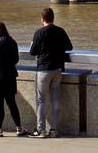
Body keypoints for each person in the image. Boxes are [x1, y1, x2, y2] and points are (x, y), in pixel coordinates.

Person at [28, 7, 72, 138]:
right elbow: (69, 47)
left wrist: (33, 44)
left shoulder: (39, 33)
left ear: (42, 19)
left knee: (41, 100)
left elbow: (32, 52)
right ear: (53, 18)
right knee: (55, 100)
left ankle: (41, 130)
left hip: (43, 70)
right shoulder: (60, 31)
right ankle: (54, 130)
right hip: (57, 69)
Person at [0, 22, 29, 137]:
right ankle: (19, 128)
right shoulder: (12, 42)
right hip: (10, 77)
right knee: (12, 103)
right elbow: (16, 59)